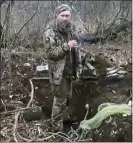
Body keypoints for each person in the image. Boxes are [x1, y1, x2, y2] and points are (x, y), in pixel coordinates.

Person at [43, 4, 81, 131]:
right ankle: (56, 129)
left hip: (70, 71)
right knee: (59, 101)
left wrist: (78, 65)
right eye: (62, 15)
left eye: (67, 16)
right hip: (58, 73)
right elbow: (50, 54)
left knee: (68, 98)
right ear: (56, 15)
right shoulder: (50, 31)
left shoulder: (71, 29)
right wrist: (66, 46)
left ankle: (64, 118)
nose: (65, 18)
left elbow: (76, 50)